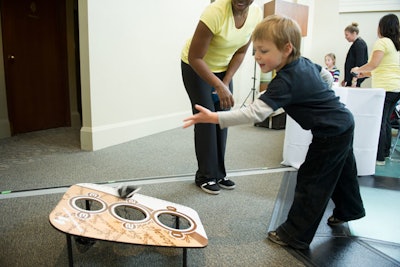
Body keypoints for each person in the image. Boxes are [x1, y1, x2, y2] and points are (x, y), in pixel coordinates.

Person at [183, 15, 365, 249]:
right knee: (342, 170)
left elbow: (254, 113)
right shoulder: (304, 63)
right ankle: (351, 210)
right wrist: (321, 95)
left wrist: (214, 117)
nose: (257, 56)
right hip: (343, 123)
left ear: (287, 49)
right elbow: (326, 76)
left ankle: (294, 235)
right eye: (256, 50)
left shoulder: (286, 81)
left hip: (330, 133)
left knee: (313, 181)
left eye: (264, 50)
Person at [180, 0, 262, 195]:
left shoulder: (256, 15)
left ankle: (218, 173)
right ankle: (205, 176)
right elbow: (194, 57)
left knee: (222, 119)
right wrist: (218, 85)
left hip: (223, 70)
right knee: (206, 120)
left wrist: (225, 81)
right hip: (197, 68)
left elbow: (241, 51)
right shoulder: (215, 12)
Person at [351, 14, 400, 166]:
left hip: (385, 89)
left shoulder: (382, 42)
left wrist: (358, 69)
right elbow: (379, 69)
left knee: (380, 121)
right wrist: (361, 74)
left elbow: (373, 64)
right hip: (395, 88)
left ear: (382, 27)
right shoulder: (395, 44)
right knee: (386, 121)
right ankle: (384, 154)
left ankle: (378, 157)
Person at [341, 22, 368, 87]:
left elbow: (359, 63)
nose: (345, 37)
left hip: (354, 79)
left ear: (354, 33)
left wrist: (355, 79)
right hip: (351, 78)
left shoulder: (359, 44)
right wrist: (346, 79)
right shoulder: (356, 44)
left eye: (347, 35)